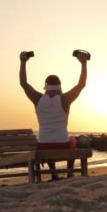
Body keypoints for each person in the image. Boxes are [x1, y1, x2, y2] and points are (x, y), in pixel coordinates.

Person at [19, 51, 88, 180]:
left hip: (43, 145)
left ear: (46, 86)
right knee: (72, 139)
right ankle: (70, 172)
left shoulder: (38, 99)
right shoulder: (65, 99)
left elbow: (24, 84)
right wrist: (83, 64)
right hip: (63, 144)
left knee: (47, 142)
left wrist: (23, 62)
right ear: (59, 86)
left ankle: (53, 173)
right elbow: (81, 85)